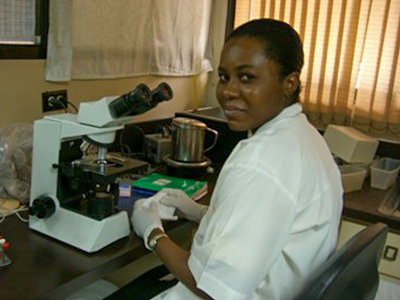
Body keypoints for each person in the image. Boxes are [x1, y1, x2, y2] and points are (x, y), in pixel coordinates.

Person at [132, 18, 343, 300]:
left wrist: (153, 233)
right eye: (223, 76)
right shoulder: (306, 136)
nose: (228, 91)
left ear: (289, 83)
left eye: (247, 77)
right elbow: (267, 224)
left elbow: (211, 289)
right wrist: (198, 212)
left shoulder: (258, 161)